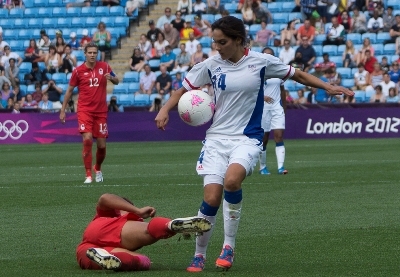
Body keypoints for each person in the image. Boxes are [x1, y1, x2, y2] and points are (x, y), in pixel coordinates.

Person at [154, 16, 353, 272]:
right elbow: (182, 90)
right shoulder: (210, 64)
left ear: (238, 40)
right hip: (216, 139)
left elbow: (298, 74)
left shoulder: (260, 62)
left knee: (232, 181)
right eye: (214, 41)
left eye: (222, 42)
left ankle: (228, 246)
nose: (217, 47)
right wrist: (165, 110)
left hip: (247, 138)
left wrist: (328, 86)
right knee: (212, 198)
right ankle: (199, 253)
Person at [76, 193, 211, 271]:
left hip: (90, 245)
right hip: (117, 232)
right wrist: (136, 210)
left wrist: (136, 212)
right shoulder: (117, 216)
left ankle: (104, 256)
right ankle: (169, 225)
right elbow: (105, 198)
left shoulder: (104, 216)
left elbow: (104, 198)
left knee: (93, 258)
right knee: (146, 242)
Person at [59, 42, 120, 184]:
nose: (92, 55)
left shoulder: (104, 66)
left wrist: (112, 78)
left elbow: (116, 80)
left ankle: (97, 168)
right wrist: (63, 110)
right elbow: (69, 91)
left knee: (102, 145)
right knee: (87, 138)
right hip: (85, 110)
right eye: (90, 53)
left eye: (94, 52)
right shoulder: (78, 71)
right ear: (85, 54)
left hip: (101, 112)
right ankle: (88, 175)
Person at [258, 47, 288, 176]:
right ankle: (262, 167)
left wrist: (284, 107)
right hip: (263, 108)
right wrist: (262, 97)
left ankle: (281, 167)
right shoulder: (257, 72)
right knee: (264, 139)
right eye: (265, 54)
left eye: (270, 54)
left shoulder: (278, 71)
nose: (267, 57)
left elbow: (282, 90)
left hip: (276, 108)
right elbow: (250, 91)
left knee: (279, 136)